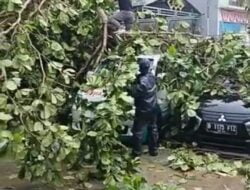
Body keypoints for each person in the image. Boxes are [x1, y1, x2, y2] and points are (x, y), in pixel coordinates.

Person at [131, 58, 159, 157]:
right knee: (153, 129)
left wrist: (129, 86)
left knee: (138, 131)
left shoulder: (142, 80)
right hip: (153, 107)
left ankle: (137, 152)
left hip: (143, 108)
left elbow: (135, 92)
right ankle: (154, 150)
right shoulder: (152, 77)